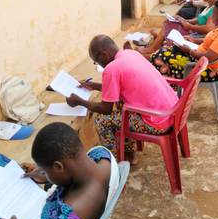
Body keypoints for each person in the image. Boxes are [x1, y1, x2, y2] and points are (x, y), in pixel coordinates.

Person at [0, 123, 117, 219]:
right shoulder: (103, 157)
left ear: (58, 166)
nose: (44, 174)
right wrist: (49, 176)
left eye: (46, 171)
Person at [65, 35, 178, 164]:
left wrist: (79, 101)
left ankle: (114, 164)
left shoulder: (111, 69)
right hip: (172, 111)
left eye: (96, 61)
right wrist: (94, 86)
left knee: (102, 121)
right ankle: (130, 156)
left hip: (158, 122)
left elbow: (105, 109)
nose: (98, 64)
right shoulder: (130, 54)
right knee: (122, 110)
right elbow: (122, 85)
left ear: (104, 55)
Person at [150, 0, 218, 83]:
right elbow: (211, 41)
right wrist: (194, 40)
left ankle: (169, 89)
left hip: (206, 69)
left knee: (158, 57)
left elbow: (207, 58)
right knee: (167, 47)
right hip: (199, 58)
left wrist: (189, 51)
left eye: (214, 15)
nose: (212, 17)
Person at [135, 0, 218, 57]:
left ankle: (153, 47)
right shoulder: (210, 4)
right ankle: (157, 42)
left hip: (196, 34)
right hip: (194, 29)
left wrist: (190, 26)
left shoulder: (214, 9)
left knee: (169, 25)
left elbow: (208, 29)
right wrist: (185, 20)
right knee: (170, 21)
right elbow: (199, 19)